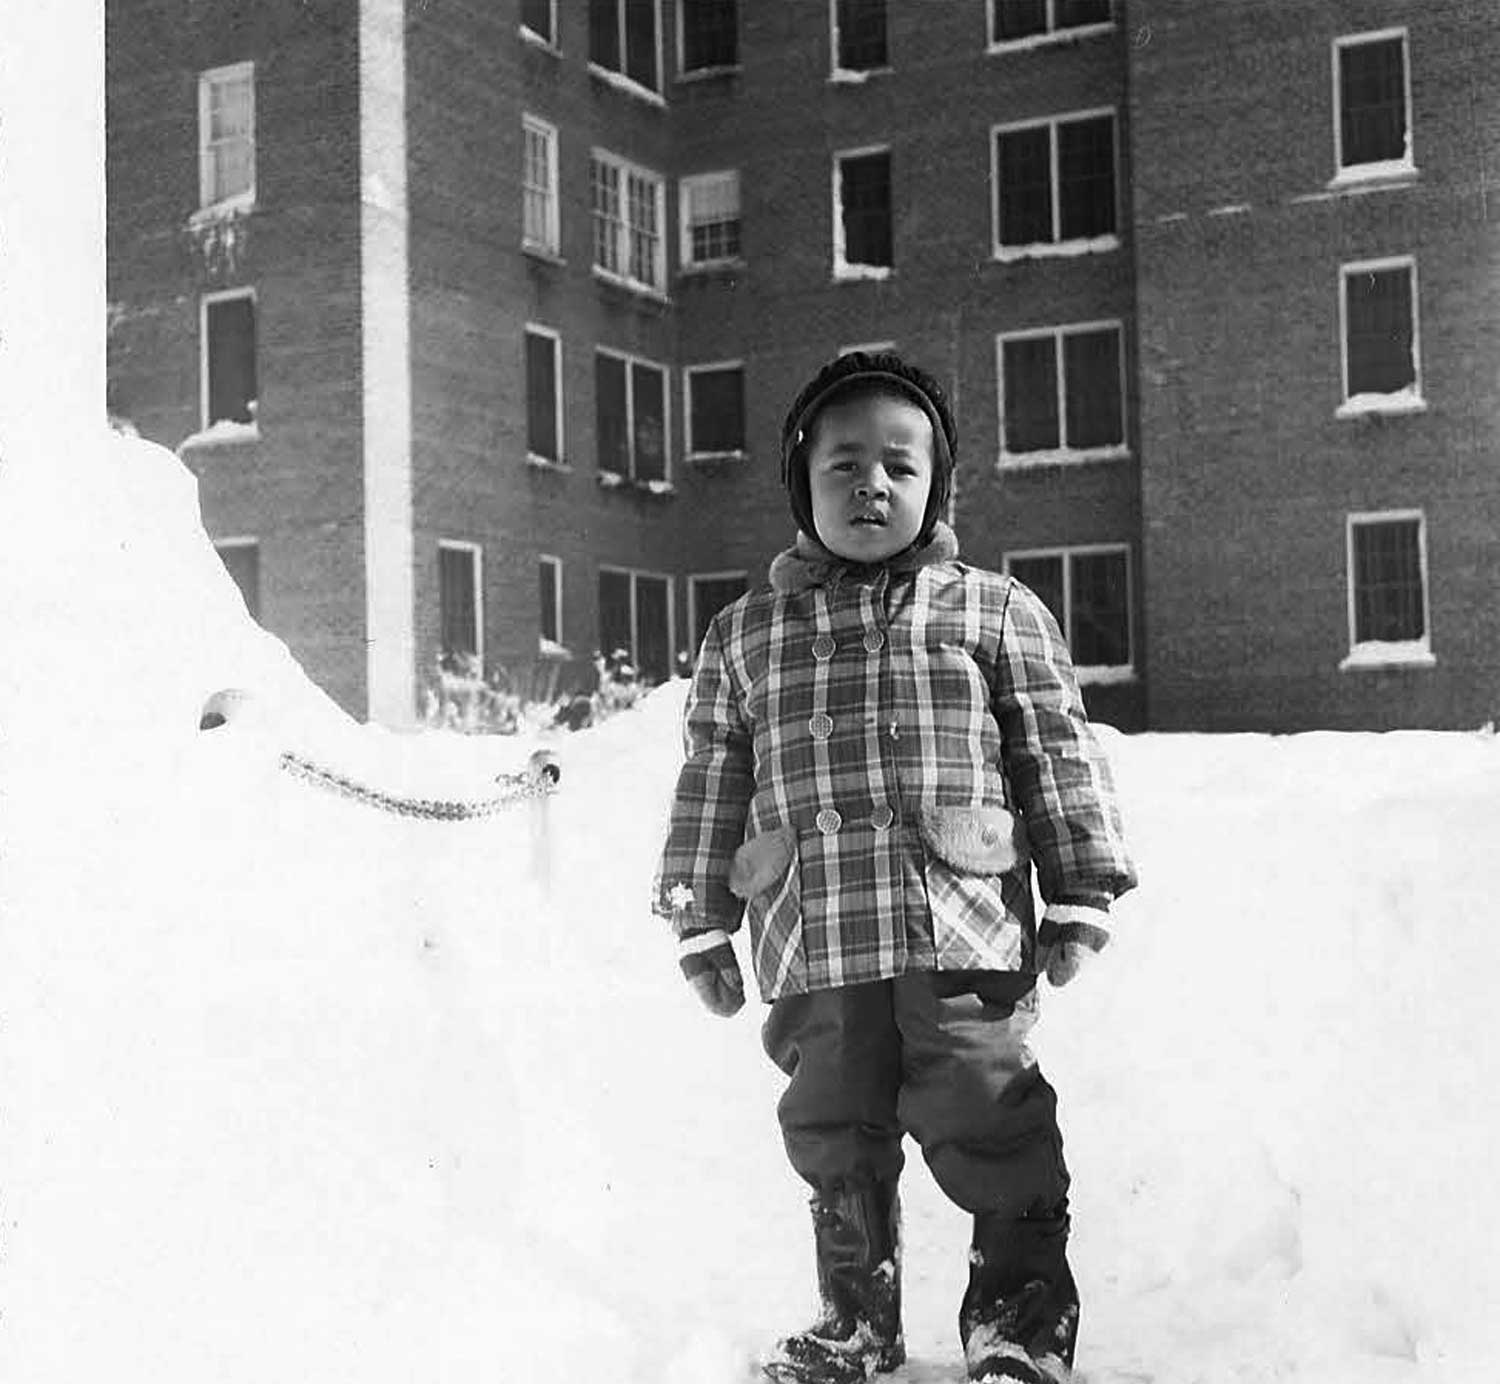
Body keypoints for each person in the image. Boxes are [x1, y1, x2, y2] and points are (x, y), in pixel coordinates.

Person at [652, 351, 1138, 1384]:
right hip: (813, 926)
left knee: (984, 1098)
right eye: (844, 464)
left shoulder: (993, 610)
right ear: (800, 484)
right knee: (830, 1119)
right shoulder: (743, 637)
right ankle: (855, 1319)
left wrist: (1082, 883)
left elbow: (1055, 744)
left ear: (935, 486)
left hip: (958, 916)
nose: (873, 483)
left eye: (900, 466)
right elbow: (710, 777)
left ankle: (1018, 1318)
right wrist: (699, 915)